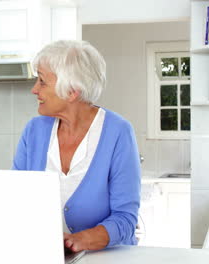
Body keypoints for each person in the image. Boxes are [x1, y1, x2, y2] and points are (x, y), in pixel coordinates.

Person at [12, 40, 141, 252]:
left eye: (42, 82)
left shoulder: (118, 132)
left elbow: (125, 220)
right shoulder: (34, 131)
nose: (34, 89)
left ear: (72, 91)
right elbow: (16, 199)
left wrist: (79, 240)